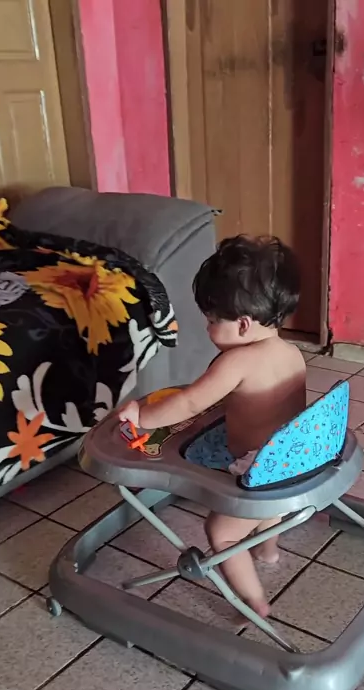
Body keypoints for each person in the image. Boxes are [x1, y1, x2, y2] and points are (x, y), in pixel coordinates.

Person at [118, 235, 306, 618]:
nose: (206, 328)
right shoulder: (291, 352)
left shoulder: (235, 363)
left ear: (243, 325)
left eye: (211, 320)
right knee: (265, 507)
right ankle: (268, 549)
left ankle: (254, 603)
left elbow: (189, 402)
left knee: (221, 533)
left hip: (258, 470)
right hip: (293, 457)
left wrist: (141, 415)